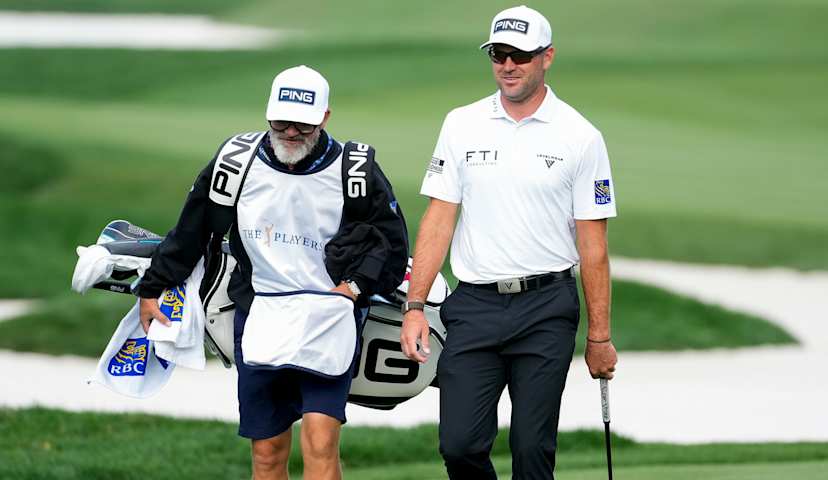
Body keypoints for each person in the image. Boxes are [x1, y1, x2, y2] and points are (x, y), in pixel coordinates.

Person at [136, 65, 408, 480]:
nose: (291, 132)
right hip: (260, 314)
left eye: (303, 123)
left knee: (320, 441)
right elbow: (192, 229)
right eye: (281, 121)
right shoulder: (236, 162)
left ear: (325, 117)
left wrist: (354, 290)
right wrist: (152, 287)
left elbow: (393, 244)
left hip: (329, 318)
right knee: (266, 454)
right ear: (267, 113)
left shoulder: (355, 170)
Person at [400, 5, 618, 479]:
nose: (508, 65)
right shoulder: (461, 124)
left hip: (546, 309)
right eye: (499, 54)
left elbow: (593, 247)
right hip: (474, 304)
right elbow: (439, 219)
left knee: (531, 450)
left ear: (547, 57)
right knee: (458, 445)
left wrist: (599, 337)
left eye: (520, 54)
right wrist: (415, 304)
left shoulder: (581, 137)